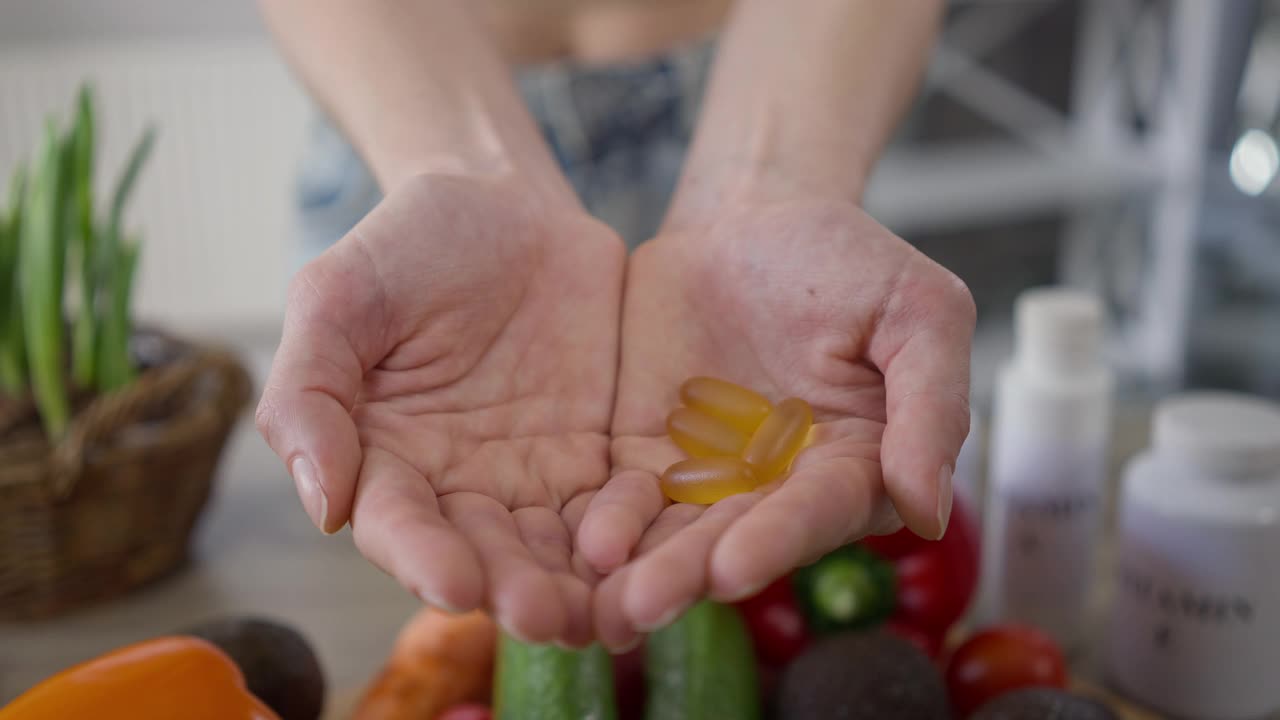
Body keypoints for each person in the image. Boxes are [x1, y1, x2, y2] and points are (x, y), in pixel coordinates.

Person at [253, 0, 976, 651]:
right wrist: (462, 166)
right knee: (410, 616)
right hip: (406, 113)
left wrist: (775, 177)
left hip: (793, 90)